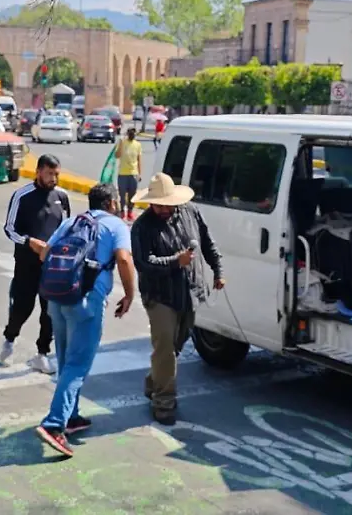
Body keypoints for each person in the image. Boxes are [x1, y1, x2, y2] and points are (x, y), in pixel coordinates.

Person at [34, 183, 137, 457]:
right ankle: (54, 424)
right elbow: (124, 260)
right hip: (86, 301)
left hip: (57, 298)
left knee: (67, 361)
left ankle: (71, 416)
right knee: (78, 365)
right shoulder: (116, 226)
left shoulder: (71, 222)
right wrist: (129, 294)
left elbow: (45, 253)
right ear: (112, 203)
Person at [130, 173, 224, 425]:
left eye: (165, 204)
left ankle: (154, 380)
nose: (161, 209)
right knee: (165, 349)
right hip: (160, 296)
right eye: (156, 204)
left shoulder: (191, 212)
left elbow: (207, 242)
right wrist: (175, 262)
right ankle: (164, 402)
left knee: (176, 345)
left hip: (190, 291)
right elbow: (143, 262)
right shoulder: (142, 227)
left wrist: (218, 270)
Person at [1, 154, 70, 374]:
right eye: (50, 173)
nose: (53, 178)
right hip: (26, 264)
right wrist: (30, 242)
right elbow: (9, 229)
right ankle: (10, 337)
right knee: (22, 307)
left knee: (50, 311)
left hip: (52, 266)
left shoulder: (62, 196)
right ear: (39, 171)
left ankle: (42, 353)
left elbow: (66, 227)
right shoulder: (22, 195)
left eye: (56, 174)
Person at [114, 128, 143, 222]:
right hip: (123, 173)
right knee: (122, 195)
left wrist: (140, 173)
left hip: (133, 173)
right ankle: (122, 212)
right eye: (130, 133)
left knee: (132, 194)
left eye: (133, 133)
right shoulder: (123, 143)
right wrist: (121, 144)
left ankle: (130, 211)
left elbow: (139, 160)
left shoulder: (138, 145)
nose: (132, 134)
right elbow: (117, 155)